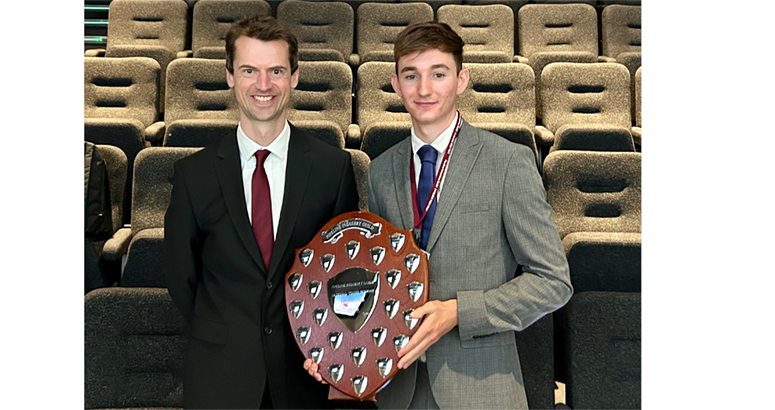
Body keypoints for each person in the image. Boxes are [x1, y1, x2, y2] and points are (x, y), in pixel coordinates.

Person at [305, 22, 572, 410]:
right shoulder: (380, 171)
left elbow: (552, 282)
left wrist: (460, 312)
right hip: (398, 388)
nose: (424, 89)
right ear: (395, 84)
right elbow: (373, 282)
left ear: (461, 80)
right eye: (411, 76)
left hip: (483, 390)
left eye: (438, 74)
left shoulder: (508, 162)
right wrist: (331, 348)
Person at [165, 15, 359, 410]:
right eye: (249, 70)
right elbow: (181, 277)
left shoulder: (333, 169)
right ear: (229, 77)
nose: (264, 84)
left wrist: (324, 342)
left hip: (305, 372)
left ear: (295, 77)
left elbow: (344, 276)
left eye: (276, 71)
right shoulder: (193, 174)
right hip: (219, 373)